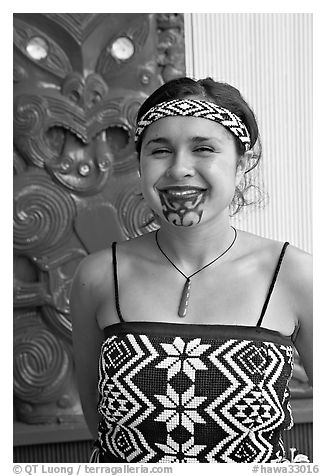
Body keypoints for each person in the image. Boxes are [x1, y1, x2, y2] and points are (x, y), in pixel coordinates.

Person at [70, 77, 312, 463]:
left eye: (203, 148)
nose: (180, 169)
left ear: (242, 163)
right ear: (139, 163)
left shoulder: (296, 275)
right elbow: (97, 422)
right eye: (160, 150)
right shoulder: (98, 276)